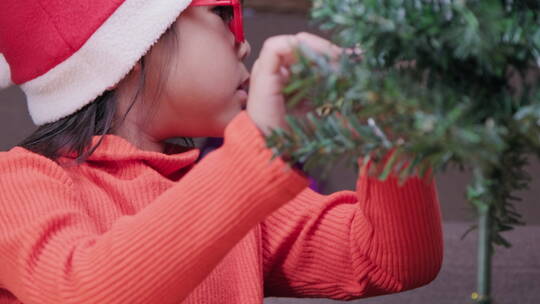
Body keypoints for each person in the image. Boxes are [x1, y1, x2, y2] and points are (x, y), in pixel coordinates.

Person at [0, 0, 443, 303]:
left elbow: (391, 260)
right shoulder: (17, 183)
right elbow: (86, 291)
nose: (244, 44)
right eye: (222, 13)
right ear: (131, 47)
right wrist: (261, 149)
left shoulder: (234, 197)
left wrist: (387, 128)